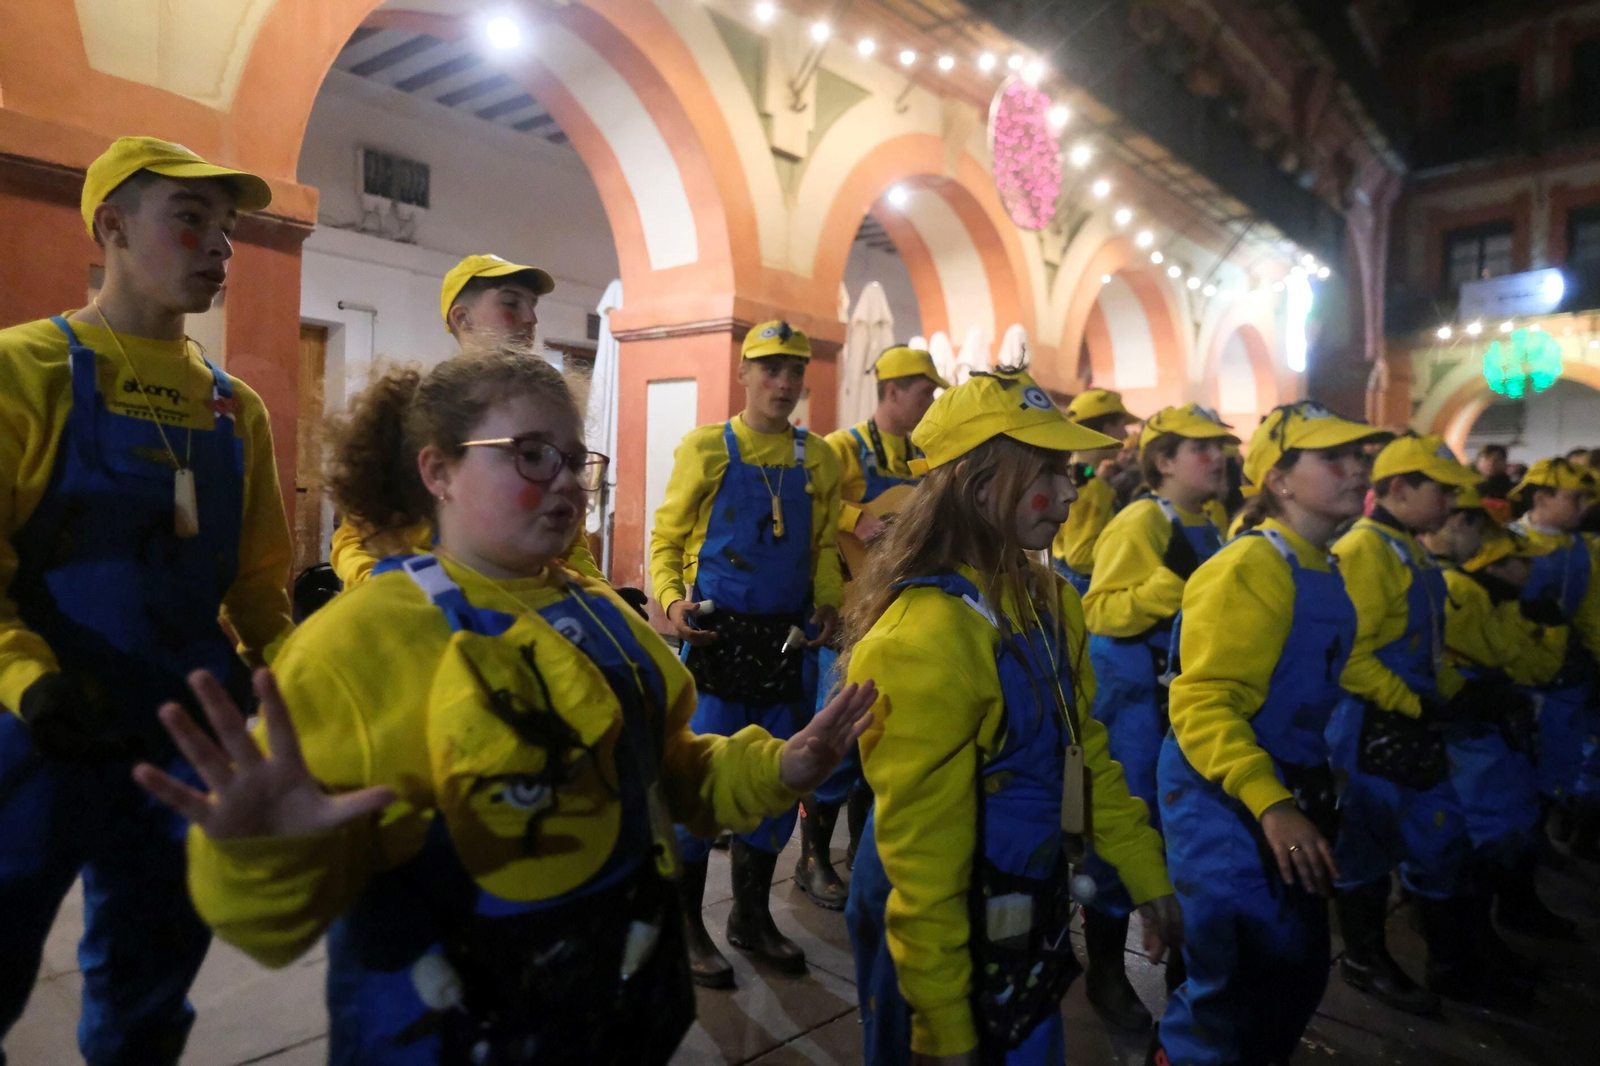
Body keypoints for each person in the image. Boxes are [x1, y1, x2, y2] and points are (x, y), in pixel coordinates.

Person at [134, 346, 876, 1065]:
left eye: (574, 457)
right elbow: (265, 928)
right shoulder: (356, 649)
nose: (564, 482)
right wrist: (261, 853)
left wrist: (782, 768)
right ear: (439, 470)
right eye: (528, 454)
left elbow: (669, 769)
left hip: (622, 1015)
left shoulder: (603, 617)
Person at [0, 136, 294, 1065]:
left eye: (230, 230)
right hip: (38, 731)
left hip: (187, 738)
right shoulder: (26, 371)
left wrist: (298, 690)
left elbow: (258, 586)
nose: (219, 248)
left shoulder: (232, 407)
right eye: (191, 219)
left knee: (151, 981)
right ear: (112, 227)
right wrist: (27, 681)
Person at [841, 367, 1180, 1066]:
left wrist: (1146, 873)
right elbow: (922, 870)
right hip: (937, 926)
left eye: (1067, 469)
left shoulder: (1050, 600)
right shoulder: (922, 637)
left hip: (1021, 901)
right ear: (978, 486)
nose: (1067, 490)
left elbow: (1081, 748)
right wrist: (944, 1030)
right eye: (1045, 469)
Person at [1149, 401, 1389, 1066]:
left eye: (1359, 457)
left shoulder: (1322, 563)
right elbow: (1201, 702)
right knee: (1229, 996)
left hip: (1282, 791)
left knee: (1288, 976)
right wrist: (1273, 802)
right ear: (1279, 480)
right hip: (1227, 803)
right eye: (1333, 458)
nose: (1355, 470)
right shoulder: (1250, 567)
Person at [650, 320, 844, 986]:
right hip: (717, 640)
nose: (783, 382)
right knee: (700, 783)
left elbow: (822, 548)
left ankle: (752, 917)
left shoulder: (819, 458)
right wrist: (672, 602)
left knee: (777, 778)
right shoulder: (707, 449)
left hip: (788, 644)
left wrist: (826, 603)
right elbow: (666, 538)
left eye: (793, 370)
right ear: (744, 372)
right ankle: (685, 922)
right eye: (770, 368)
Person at [1326, 434, 1531, 1013]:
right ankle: (1366, 959)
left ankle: (1455, 962)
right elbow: (1351, 655)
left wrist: (1462, 694)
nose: (1448, 501)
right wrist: (1424, 704)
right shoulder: (1366, 550)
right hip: (1372, 729)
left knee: (1440, 841)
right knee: (1366, 849)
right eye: (1438, 489)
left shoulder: (1411, 550)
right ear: (1398, 488)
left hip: (1413, 723)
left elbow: (1425, 648)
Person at [1077, 403, 1236, 1031]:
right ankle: (1107, 973)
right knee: (1126, 833)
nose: (1217, 458)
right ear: (1163, 461)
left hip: (1186, 702)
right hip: (1137, 704)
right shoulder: (1142, 520)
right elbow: (1101, 610)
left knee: (1184, 836)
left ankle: (1184, 972)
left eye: (1220, 447)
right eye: (1200, 448)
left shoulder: (1214, 519)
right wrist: (1171, 583)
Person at [329, 254, 604, 587]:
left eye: (532, 306)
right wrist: (387, 588)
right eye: (511, 303)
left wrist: (599, 596)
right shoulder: (417, 409)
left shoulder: (546, 410)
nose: (530, 318)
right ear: (463, 318)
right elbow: (354, 535)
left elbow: (571, 539)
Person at [796, 345, 948, 910]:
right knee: (833, 743)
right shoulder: (841, 448)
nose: (930, 401)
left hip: (896, 611)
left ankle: (864, 856)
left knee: (874, 745)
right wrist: (852, 516)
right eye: (924, 391)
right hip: (848, 615)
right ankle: (811, 857)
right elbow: (814, 502)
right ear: (891, 391)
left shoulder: (920, 456)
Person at [1419, 508, 1575, 939]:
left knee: (1510, 819)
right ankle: (1475, 936)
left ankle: (1509, 911)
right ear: (1495, 563)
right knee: (1486, 829)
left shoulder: (1494, 598)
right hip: (1477, 731)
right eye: (1522, 560)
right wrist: (1550, 634)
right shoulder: (1465, 595)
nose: (1531, 568)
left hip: (1496, 735)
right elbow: (1522, 667)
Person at [1509, 458, 1600, 858]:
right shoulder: (1505, 542)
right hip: (1513, 674)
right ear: (1541, 497)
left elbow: (1592, 613)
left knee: (1559, 758)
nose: (1583, 506)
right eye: (1574, 497)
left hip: (1566, 676)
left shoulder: (1585, 550)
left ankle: (1541, 836)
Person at [1050, 389, 1141, 596]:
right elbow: (1080, 556)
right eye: (1122, 426)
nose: (1127, 435)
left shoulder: (1075, 473)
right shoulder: (1091, 487)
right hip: (1082, 585)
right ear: (1107, 428)